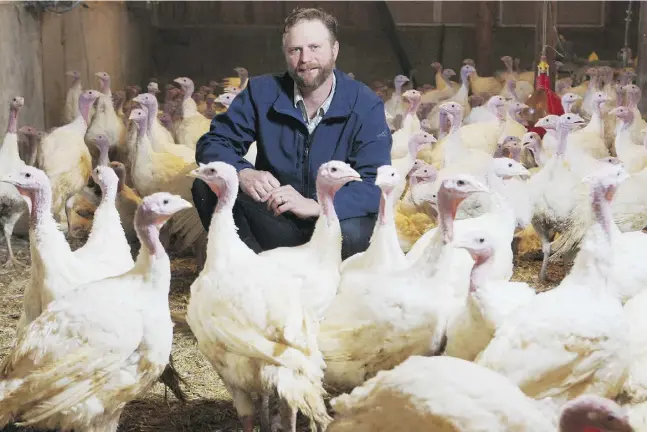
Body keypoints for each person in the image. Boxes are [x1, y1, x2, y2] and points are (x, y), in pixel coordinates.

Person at [192, 7, 392, 260]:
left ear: (335, 50)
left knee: (354, 234)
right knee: (209, 183)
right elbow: (214, 142)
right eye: (295, 50)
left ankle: (325, 281)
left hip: (334, 222)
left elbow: (376, 182)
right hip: (279, 216)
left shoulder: (364, 105)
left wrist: (319, 205)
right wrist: (243, 172)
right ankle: (254, 273)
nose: (305, 58)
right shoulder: (261, 93)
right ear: (285, 54)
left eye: (315, 47)